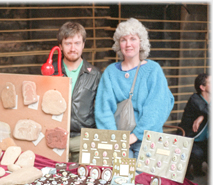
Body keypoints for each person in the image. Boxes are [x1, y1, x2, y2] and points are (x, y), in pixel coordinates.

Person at [94, 18, 174, 159]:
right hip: (117, 140)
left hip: (148, 138)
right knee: (118, 178)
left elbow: (157, 108)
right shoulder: (110, 72)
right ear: (119, 44)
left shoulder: (153, 70)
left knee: (143, 178)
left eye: (133, 39)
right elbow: (103, 109)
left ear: (141, 42)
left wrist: (135, 136)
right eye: (123, 40)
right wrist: (115, 139)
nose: (128, 44)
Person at [51, 21, 102, 162]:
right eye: (68, 43)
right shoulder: (50, 72)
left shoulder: (95, 74)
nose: (73, 48)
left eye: (77, 43)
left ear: (83, 45)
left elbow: (101, 110)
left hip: (84, 139)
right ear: (60, 46)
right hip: (55, 138)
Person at [179, 73, 210, 180]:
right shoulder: (195, 99)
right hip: (190, 139)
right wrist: (204, 114)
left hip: (204, 140)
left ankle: (198, 168)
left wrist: (201, 116)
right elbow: (208, 110)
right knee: (198, 153)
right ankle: (184, 171)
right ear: (202, 87)